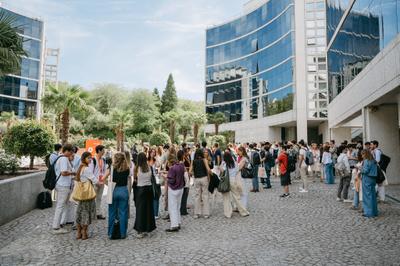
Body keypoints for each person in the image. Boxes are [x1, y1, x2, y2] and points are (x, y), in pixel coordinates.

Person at [52, 144, 75, 234]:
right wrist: (73, 173)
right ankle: (56, 227)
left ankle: (62, 222)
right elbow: (64, 172)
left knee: (64, 204)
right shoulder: (64, 159)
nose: (72, 154)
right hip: (63, 185)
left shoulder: (59, 158)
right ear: (68, 151)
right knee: (60, 205)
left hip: (62, 184)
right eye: (71, 152)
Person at [106, 152, 130, 239]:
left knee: (112, 213)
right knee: (123, 213)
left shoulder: (112, 168)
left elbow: (104, 178)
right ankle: (123, 233)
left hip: (114, 190)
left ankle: (111, 232)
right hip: (123, 190)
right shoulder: (127, 168)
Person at [220, 151, 249, 218]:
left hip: (226, 181)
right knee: (237, 197)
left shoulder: (224, 163)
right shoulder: (234, 163)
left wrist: (220, 166)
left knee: (226, 198)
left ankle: (228, 213)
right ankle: (243, 212)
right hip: (233, 180)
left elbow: (222, 171)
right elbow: (237, 170)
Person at [74, 152, 96, 240]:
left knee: (79, 212)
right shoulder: (86, 169)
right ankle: (84, 233)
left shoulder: (80, 167)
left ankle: (78, 233)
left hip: (80, 194)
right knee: (86, 213)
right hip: (87, 194)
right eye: (88, 158)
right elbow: (94, 180)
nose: (90, 160)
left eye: (91, 158)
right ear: (84, 159)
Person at [133, 152, 156, 238]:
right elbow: (151, 178)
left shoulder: (136, 168)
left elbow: (135, 179)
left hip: (141, 189)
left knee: (140, 210)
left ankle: (140, 230)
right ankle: (149, 229)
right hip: (149, 189)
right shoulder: (149, 167)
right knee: (149, 209)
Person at [166, 151, 185, 232]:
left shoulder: (172, 168)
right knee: (177, 207)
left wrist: (166, 177)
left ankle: (174, 225)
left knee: (172, 207)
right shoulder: (181, 166)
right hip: (180, 188)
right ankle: (178, 222)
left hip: (173, 189)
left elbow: (171, 180)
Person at [189, 149, 212, 219]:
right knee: (205, 196)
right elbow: (208, 169)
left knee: (197, 196)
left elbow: (190, 171)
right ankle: (206, 214)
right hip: (204, 178)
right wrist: (211, 174)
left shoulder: (193, 161)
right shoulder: (204, 160)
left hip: (196, 179)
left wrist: (194, 174)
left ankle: (196, 213)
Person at [89, 145, 107, 220]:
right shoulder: (93, 160)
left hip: (101, 182)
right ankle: (91, 214)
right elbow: (90, 172)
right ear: (99, 151)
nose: (104, 151)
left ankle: (98, 213)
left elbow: (104, 170)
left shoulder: (104, 160)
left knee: (99, 198)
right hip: (95, 183)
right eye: (103, 150)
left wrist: (104, 179)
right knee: (92, 199)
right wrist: (95, 181)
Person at [360, 149, 378, 217]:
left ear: (366, 154)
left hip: (367, 179)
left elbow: (365, 171)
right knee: (373, 196)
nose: (362, 156)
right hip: (373, 179)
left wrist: (359, 168)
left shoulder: (367, 161)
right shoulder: (373, 160)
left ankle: (368, 212)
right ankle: (374, 211)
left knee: (367, 196)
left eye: (363, 154)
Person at [148, 148, 161, 219]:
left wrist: (156, 160)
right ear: (149, 153)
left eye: (154, 152)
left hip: (156, 180)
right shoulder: (147, 161)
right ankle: (151, 212)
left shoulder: (155, 161)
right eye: (152, 152)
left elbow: (159, 166)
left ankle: (155, 213)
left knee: (156, 196)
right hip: (149, 180)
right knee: (150, 197)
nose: (153, 154)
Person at [180, 147, 191, 215]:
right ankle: (183, 209)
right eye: (187, 151)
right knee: (184, 193)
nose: (188, 152)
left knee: (185, 194)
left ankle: (183, 207)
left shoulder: (187, 157)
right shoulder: (182, 162)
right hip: (184, 178)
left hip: (186, 176)